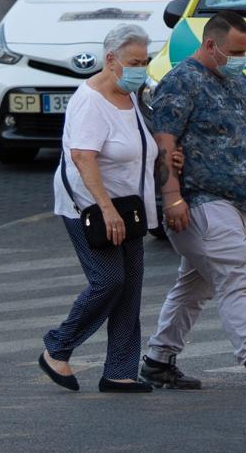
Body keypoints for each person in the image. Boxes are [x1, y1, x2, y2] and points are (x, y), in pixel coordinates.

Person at [141, 11, 246, 393]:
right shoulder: (181, 82)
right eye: (235, 51)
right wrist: (172, 200)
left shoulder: (238, 80)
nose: (241, 59)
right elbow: (164, 144)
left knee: (194, 286)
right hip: (201, 201)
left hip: (238, 203)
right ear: (211, 44)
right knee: (234, 276)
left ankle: (157, 360)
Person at [38, 24, 157, 394]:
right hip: (91, 207)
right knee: (109, 281)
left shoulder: (131, 94)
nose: (141, 68)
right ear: (110, 59)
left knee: (130, 288)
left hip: (129, 208)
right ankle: (57, 347)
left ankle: (120, 371)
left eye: (145, 60)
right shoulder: (89, 101)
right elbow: (82, 157)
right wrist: (106, 209)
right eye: (134, 62)